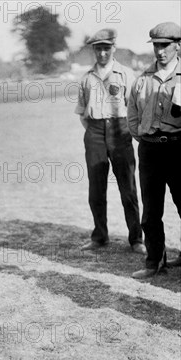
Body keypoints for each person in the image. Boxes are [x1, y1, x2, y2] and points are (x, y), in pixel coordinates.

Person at [75, 28, 146, 254]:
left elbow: (135, 109)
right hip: (94, 131)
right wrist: (97, 130)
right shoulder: (86, 78)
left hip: (120, 130)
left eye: (106, 48)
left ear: (113, 48)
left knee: (128, 187)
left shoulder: (125, 74)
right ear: (93, 50)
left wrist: (119, 130)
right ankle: (100, 236)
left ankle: (136, 238)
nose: (102, 53)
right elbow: (83, 113)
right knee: (96, 188)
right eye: (98, 49)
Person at [128, 22, 181, 279]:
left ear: (178, 46)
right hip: (149, 150)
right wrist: (148, 140)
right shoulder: (142, 80)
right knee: (150, 211)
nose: (160, 51)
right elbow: (132, 119)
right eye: (157, 46)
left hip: (179, 149)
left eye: (166, 45)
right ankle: (154, 261)